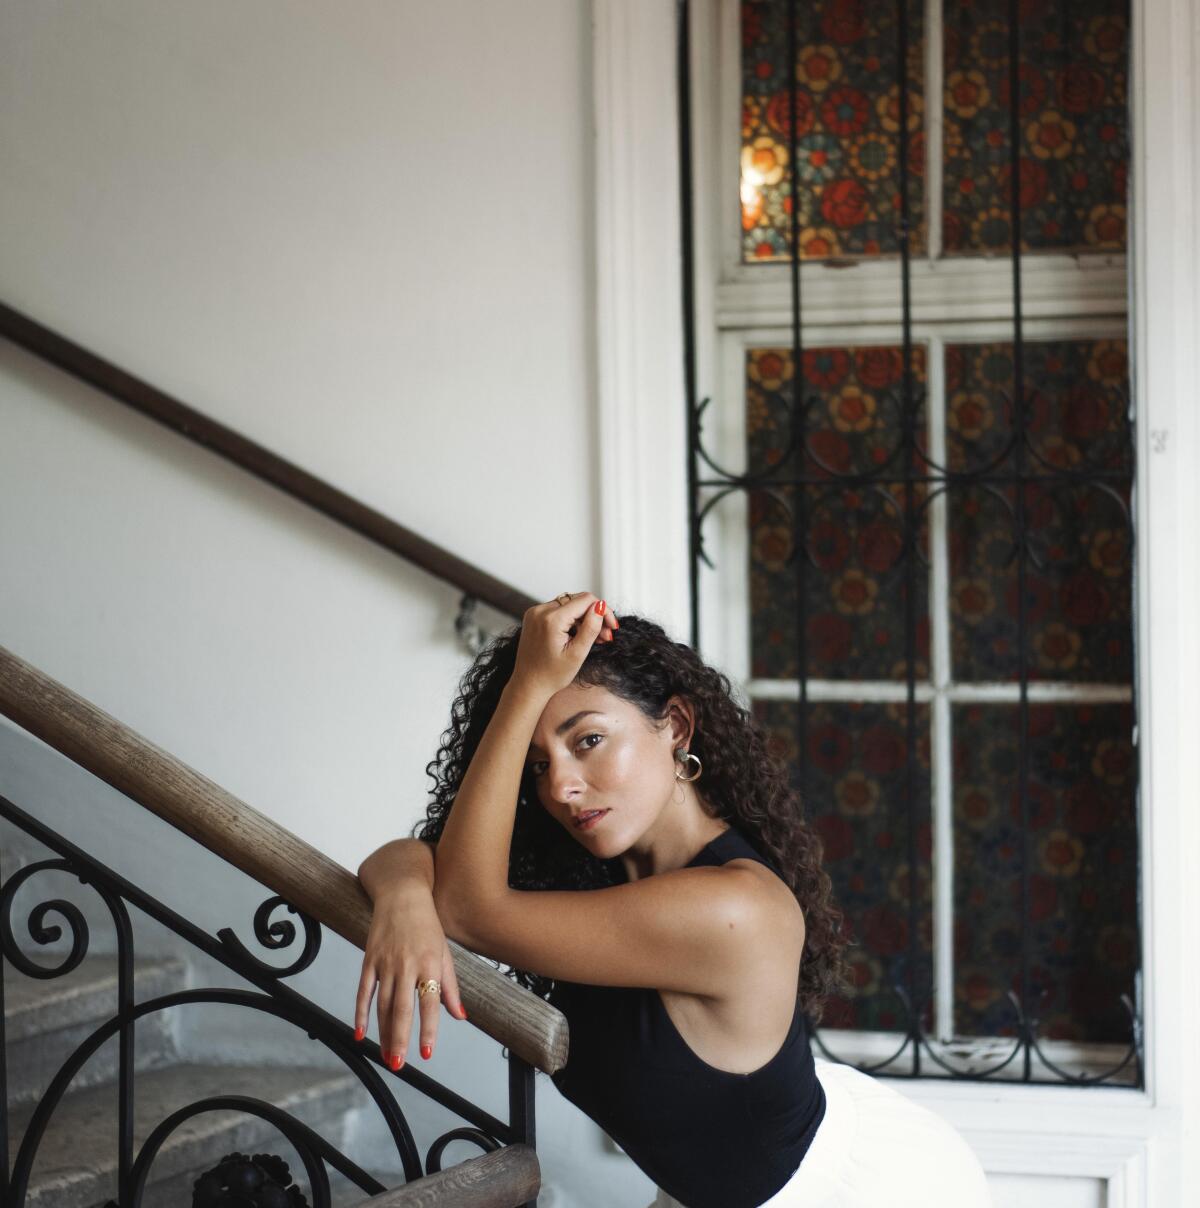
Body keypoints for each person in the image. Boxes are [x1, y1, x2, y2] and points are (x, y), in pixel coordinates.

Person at [355, 592, 993, 1207]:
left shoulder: (732, 910)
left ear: (676, 725)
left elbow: (467, 907)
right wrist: (407, 895)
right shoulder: (604, 863)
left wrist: (526, 685)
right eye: (536, 765)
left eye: (588, 741)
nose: (563, 787)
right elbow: (420, 862)